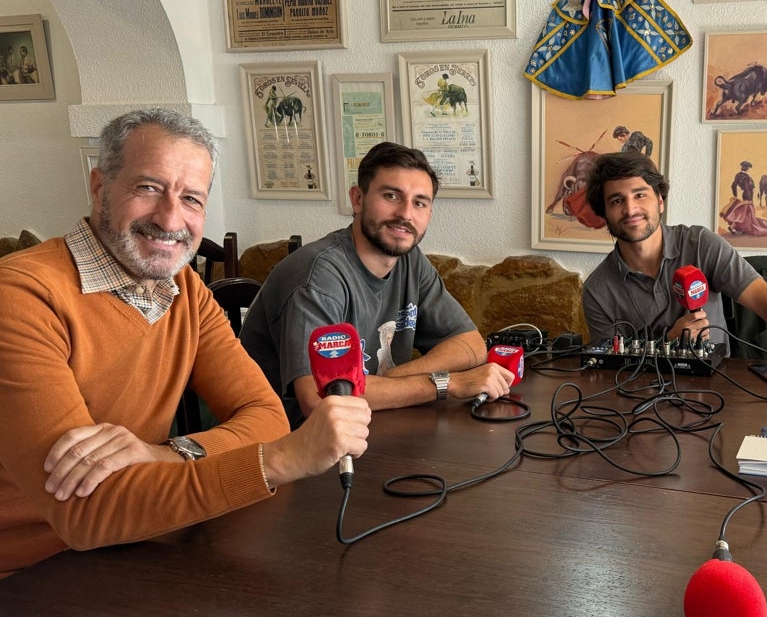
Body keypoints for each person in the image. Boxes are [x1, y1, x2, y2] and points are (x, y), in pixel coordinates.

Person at [0, 108, 371, 578]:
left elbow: (266, 417)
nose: (171, 217)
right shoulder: (21, 297)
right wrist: (283, 460)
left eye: (192, 198)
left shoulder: (186, 292)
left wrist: (164, 454)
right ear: (99, 187)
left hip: (134, 543)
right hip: (25, 578)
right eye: (148, 187)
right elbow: (84, 512)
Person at [240, 141, 512, 428]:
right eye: (392, 196)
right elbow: (320, 399)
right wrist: (445, 383)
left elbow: (469, 345)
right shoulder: (318, 278)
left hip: (363, 430)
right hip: (283, 446)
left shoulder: (409, 260)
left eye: (419, 202)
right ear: (357, 199)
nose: (406, 214)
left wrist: (388, 381)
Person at [581, 151, 767, 352]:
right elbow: (611, 367)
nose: (631, 209)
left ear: (660, 201)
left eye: (640, 195)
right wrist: (669, 342)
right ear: (603, 214)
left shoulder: (701, 245)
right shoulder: (597, 290)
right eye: (616, 201)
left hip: (719, 390)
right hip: (643, 396)